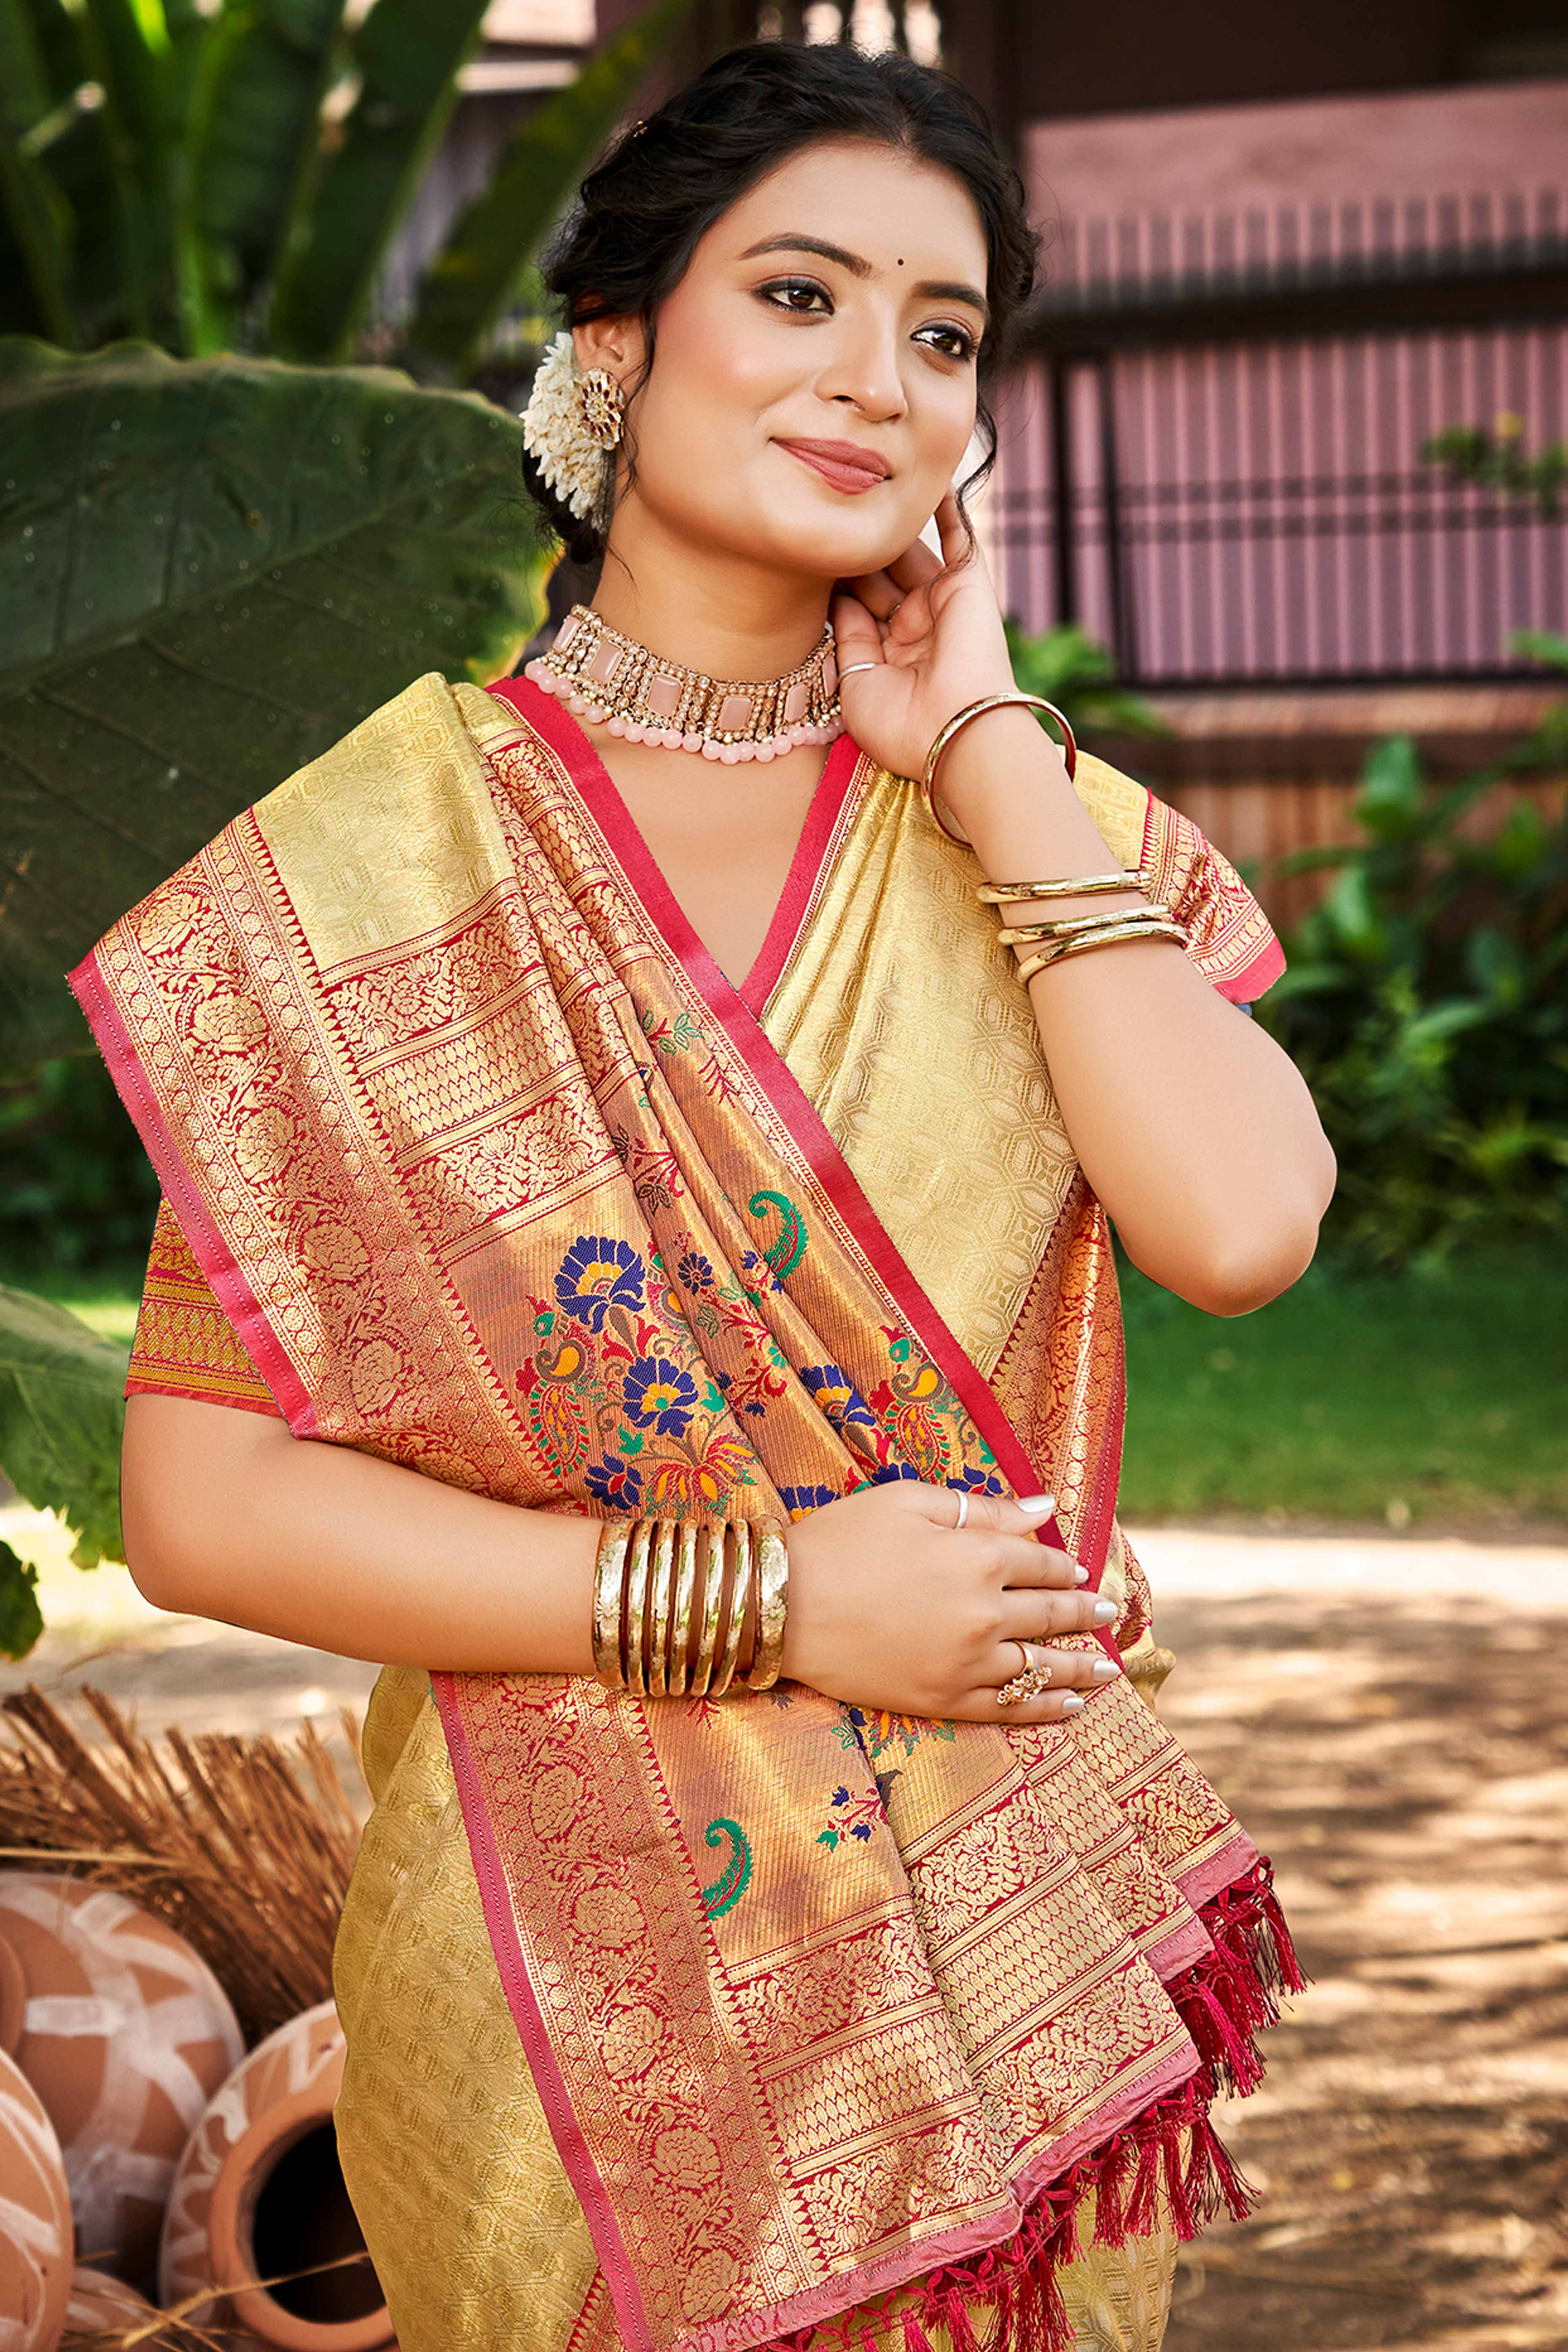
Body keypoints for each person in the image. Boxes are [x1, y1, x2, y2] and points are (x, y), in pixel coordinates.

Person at [78, 40, 1333, 2352]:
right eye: (799, 296)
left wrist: (981, 751)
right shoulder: (358, 885)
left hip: (984, 1962)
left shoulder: (1038, 835)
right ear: (613, 345)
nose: (879, 380)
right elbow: (201, 1504)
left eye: (942, 336)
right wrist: (766, 1600)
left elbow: (1242, 1226)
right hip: (550, 1996)